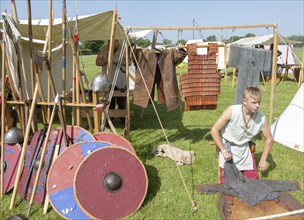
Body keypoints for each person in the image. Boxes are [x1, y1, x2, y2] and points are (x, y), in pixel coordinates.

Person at [210, 86, 273, 183]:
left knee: (253, 182)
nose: (257, 106)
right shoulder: (231, 112)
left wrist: (263, 159)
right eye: (254, 102)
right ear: (244, 101)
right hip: (228, 149)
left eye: (259, 102)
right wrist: (223, 150)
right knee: (228, 185)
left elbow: (269, 139)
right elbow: (214, 130)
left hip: (245, 150)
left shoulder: (261, 118)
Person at [95, 39, 128, 124]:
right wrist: (106, 60)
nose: (112, 43)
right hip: (107, 78)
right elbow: (97, 62)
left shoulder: (124, 49)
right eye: (110, 41)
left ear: (118, 42)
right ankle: (109, 119)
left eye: (114, 42)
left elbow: (130, 62)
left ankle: (124, 119)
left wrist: (118, 60)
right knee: (109, 100)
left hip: (120, 78)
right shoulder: (103, 49)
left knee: (121, 100)